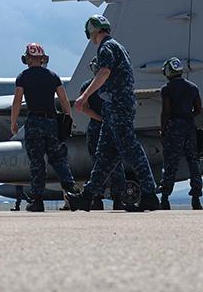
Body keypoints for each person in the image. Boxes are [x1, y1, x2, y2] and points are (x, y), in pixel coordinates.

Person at [68, 15, 161, 211]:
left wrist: (84, 96)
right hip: (114, 105)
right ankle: (87, 196)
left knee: (130, 149)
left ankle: (150, 195)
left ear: (92, 31)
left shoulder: (106, 47)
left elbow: (104, 72)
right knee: (105, 155)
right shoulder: (118, 46)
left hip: (118, 105)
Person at [10, 43, 78, 212]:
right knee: (59, 159)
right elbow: (63, 99)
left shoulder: (22, 77)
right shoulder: (53, 76)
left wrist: (13, 122)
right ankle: (73, 194)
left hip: (34, 122)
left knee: (37, 162)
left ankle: (37, 201)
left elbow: (17, 101)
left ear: (27, 58)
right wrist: (69, 118)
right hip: (52, 122)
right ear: (42, 58)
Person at [158, 57, 203, 210]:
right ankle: (196, 198)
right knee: (193, 161)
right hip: (189, 127)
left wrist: (163, 130)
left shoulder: (167, 89)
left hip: (174, 128)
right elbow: (198, 109)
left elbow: (166, 112)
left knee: (171, 163)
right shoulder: (193, 87)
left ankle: (165, 198)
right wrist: (188, 117)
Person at [80, 72, 126, 210]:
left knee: (97, 163)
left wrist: (99, 119)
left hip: (96, 126)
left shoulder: (87, 86)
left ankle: (97, 198)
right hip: (111, 125)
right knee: (115, 162)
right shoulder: (115, 84)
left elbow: (83, 107)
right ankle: (117, 198)